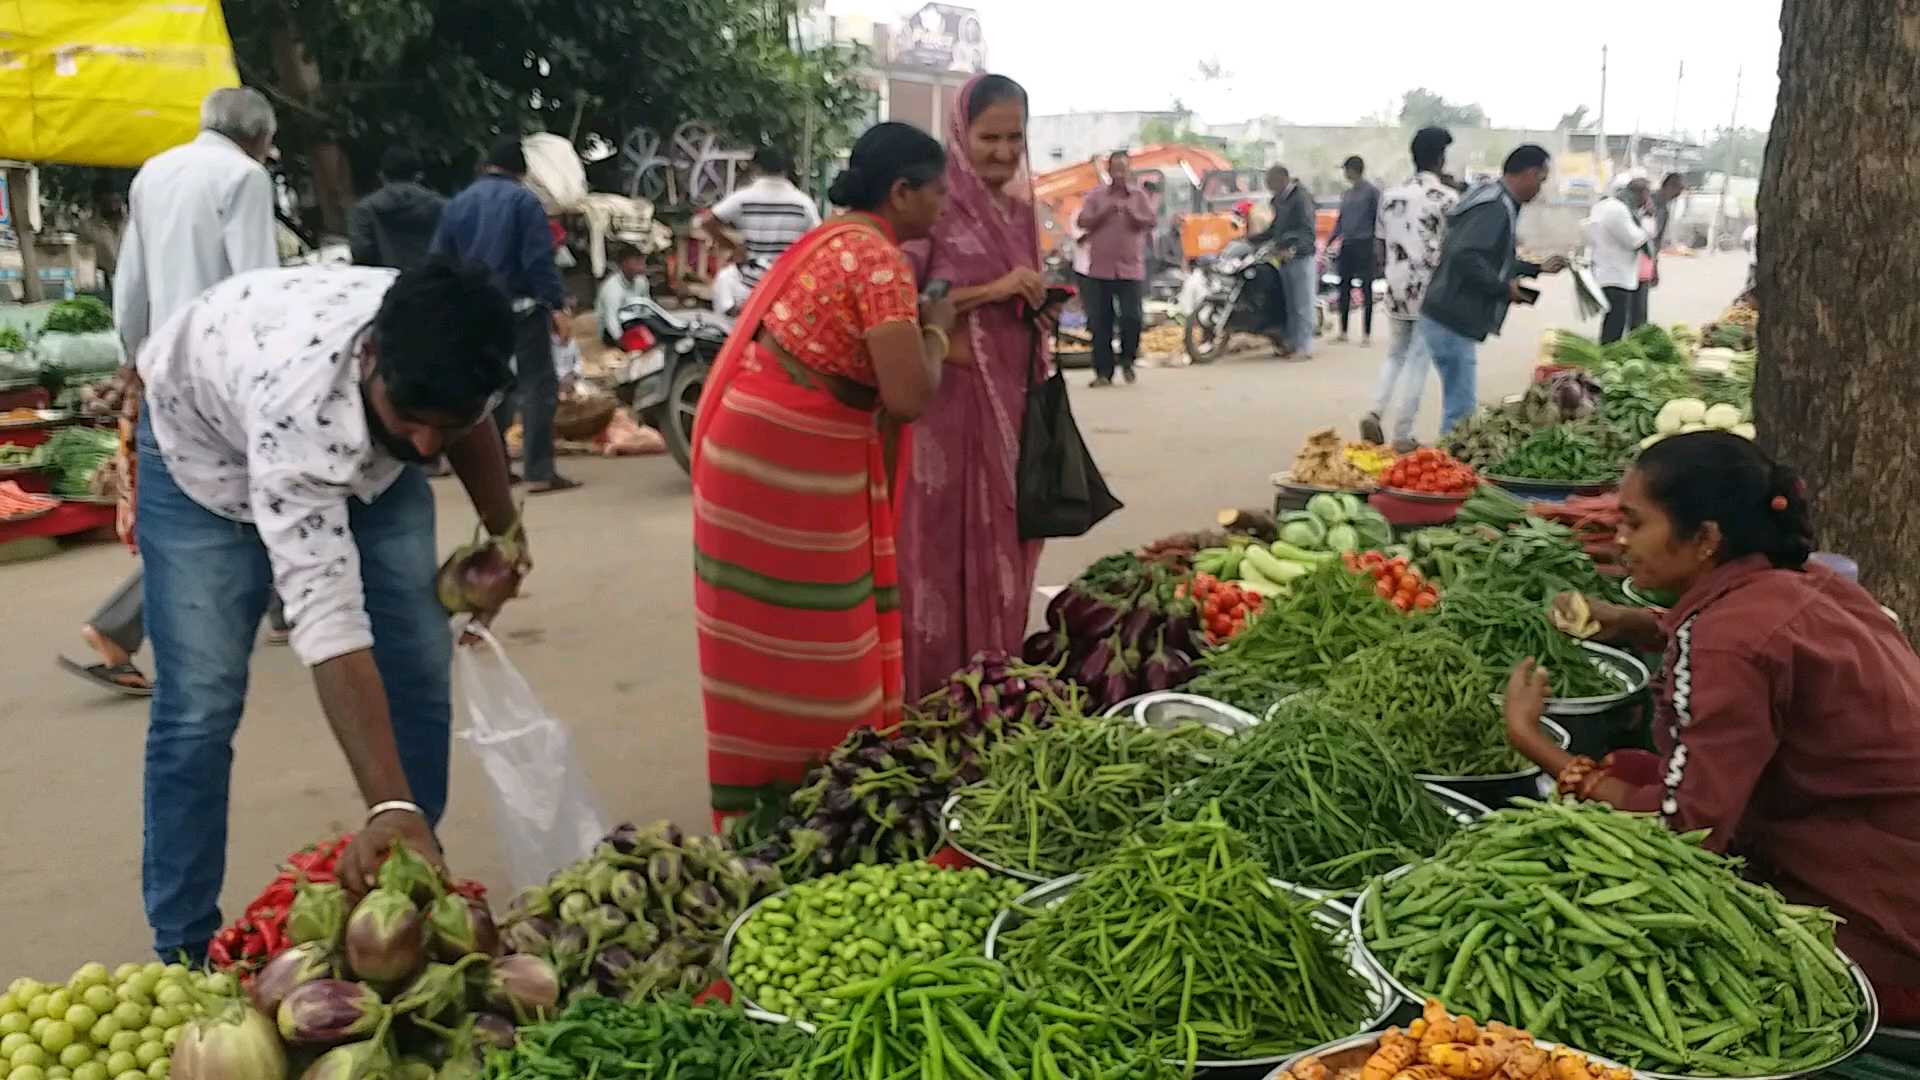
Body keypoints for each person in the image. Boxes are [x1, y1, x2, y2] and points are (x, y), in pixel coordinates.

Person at [133, 258, 525, 961]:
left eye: (449, 422)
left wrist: (505, 535)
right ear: (370, 356)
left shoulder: (454, 343)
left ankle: (405, 887)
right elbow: (329, 621)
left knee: (418, 658)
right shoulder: (298, 412)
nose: (428, 445)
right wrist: (389, 804)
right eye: (413, 419)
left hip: (355, 448)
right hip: (203, 453)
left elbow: (463, 423)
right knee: (200, 704)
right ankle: (183, 947)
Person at [1502, 432, 1920, 1016]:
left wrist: (1535, 742)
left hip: (1882, 921)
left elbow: (1686, 833)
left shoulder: (1729, 641)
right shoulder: (1809, 583)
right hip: (1882, 845)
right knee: (1625, 771)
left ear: (1705, 539)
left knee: (1627, 922)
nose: (1620, 541)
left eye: (1635, 523)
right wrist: (1639, 624)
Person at [691, 122, 953, 823]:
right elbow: (908, 396)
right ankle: (822, 800)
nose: (944, 204)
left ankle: (776, 799)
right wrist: (938, 330)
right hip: (785, 457)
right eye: (936, 191)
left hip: (758, 443)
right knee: (825, 645)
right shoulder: (876, 260)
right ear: (901, 192)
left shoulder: (834, 240)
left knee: (767, 642)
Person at [61, 88, 283, 697]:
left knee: (201, 503)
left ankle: (283, 607)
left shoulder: (155, 173)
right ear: (260, 137)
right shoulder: (244, 178)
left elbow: (129, 281)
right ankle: (120, 623)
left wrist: (136, 355)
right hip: (225, 368)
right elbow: (256, 287)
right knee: (253, 493)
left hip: (167, 362)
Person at [897, 74, 1049, 700]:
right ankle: (933, 697)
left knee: (1005, 544)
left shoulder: (1020, 213)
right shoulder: (933, 208)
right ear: (962, 133)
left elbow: (1024, 285)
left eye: (1016, 138)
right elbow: (911, 298)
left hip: (1009, 405)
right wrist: (993, 290)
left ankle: (995, 684)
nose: (1005, 152)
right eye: (991, 137)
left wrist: (1037, 301)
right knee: (937, 555)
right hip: (946, 408)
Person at [432, 137, 578, 494]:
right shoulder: (524, 202)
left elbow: (439, 260)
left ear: (487, 166)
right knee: (537, 386)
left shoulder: (457, 204)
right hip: (521, 307)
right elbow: (537, 260)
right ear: (522, 170)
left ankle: (496, 469)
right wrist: (556, 305)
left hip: (475, 310)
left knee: (490, 387)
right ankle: (539, 470)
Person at [1418, 145, 1570, 435]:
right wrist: (1503, 289)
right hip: (1451, 317)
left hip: (1445, 313)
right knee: (1461, 410)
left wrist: (1536, 269)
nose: (1540, 188)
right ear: (1528, 173)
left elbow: (1491, 256)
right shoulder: (1495, 207)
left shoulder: (1494, 198)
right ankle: (1449, 469)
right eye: (1541, 178)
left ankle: (1448, 466)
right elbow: (1466, 255)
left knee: (1459, 402)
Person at [1361, 127, 1458, 452]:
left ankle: (1375, 409)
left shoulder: (1391, 195)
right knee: (1419, 360)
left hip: (1396, 286)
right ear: (1441, 158)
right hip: (1431, 291)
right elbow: (1453, 248)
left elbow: (1380, 244)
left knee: (1395, 353)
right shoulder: (1446, 199)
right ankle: (1403, 432)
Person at [1075, 149, 1153, 387]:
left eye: (1123, 167)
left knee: (1132, 317)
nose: (1119, 172)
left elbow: (1150, 221)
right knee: (1101, 321)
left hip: (1131, 268)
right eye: (1115, 167)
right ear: (1108, 170)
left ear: (1129, 170)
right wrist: (1103, 213)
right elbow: (1082, 221)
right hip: (1101, 269)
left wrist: (1131, 214)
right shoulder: (1096, 196)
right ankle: (1103, 372)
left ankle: (1128, 359)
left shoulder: (1139, 196)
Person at [698, 146, 820, 291]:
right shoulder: (804, 204)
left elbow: (706, 221)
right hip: (787, 287)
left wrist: (732, 247)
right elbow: (818, 240)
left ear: (755, 168)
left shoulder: (742, 198)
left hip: (750, 287)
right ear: (786, 169)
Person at [1248, 164, 1317, 358]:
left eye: (1271, 183)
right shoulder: (1279, 200)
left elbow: (1306, 230)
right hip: (1283, 256)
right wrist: (1252, 239)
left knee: (1303, 304)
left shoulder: (1301, 198)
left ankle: (1305, 347)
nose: (1269, 188)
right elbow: (1275, 229)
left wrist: (1292, 247)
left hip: (1300, 256)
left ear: (1283, 179)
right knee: (1291, 305)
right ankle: (1293, 343)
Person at [349, 146, 447, 272]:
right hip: (433, 281)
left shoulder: (364, 209)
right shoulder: (442, 206)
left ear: (381, 175)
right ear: (419, 176)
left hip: (384, 283)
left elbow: (361, 252)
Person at [1588, 177, 1654, 344]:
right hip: (1617, 275)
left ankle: (1607, 356)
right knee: (1615, 324)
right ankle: (1607, 359)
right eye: (1647, 195)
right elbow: (1638, 241)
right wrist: (1648, 219)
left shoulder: (1605, 206)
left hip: (1606, 270)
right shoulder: (1619, 211)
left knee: (1613, 321)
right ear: (1641, 194)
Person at [1330, 155, 1381, 345]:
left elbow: (1378, 219)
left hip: (1365, 242)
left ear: (1354, 170)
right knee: (1344, 287)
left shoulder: (1371, 192)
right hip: (1348, 243)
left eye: (1346, 169)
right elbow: (1341, 220)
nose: (1345, 173)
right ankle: (1343, 331)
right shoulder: (1347, 194)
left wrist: (1378, 243)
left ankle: (1366, 333)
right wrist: (1331, 240)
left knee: (1366, 287)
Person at [1641, 172, 1687, 325]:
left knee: (1642, 299)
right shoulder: (1648, 201)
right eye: (1678, 189)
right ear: (1668, 186)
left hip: (1648, 258)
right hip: (1636, 256)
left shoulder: (1665, 209)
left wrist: (1655, 266)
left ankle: (1638, 331)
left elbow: (1657, 241)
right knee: (1636, 301)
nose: (1679, 194)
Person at [596, 243, 651, 348]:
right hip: (612, 330)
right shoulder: (612, 287)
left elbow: (647, 308)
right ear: (624, 263)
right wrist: (622, 343)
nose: (640, 264)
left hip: (634, 322)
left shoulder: (642, 281)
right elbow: (611, 320)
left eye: (641, 260)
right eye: (635, 261)